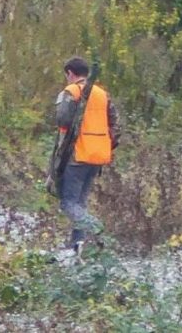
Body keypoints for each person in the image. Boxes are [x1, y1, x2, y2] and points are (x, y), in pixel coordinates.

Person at [48, 56, 120, 256]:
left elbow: (62, 119)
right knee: (80, 202)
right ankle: (77, 246)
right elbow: (116, 125)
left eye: (66, 75)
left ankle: (95, 228)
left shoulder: (71, 91)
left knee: (69, 203)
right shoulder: (102, 94)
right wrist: (105, 145)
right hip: (98, 156)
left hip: (77, 155)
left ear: (70, 73)